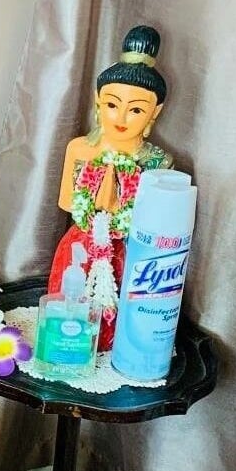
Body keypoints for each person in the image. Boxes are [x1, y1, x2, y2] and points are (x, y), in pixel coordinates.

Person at [49, 25, 174, 351]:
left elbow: (156, 226)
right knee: (66, 326)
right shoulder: (80, 150)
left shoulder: (157, 162)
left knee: (115, 327)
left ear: (154, 113)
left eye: (136, 109)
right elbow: (67, 202)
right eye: (113, 104)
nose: (121, 117)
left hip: (128, 251)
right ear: (98, 101)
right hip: (78, 245)